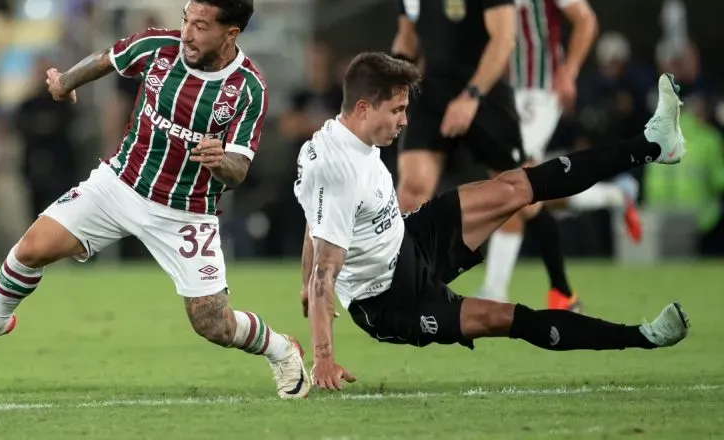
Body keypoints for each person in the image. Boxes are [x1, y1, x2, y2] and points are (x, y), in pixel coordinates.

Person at [0, 0, 311, 399]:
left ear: (231, 33)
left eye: (201, 26)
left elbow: (240, 169)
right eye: (186, 19)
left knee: (213, 325)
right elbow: (106, 59)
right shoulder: (158, 47)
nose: (187, 32)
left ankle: (282, 349)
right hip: (119, 185)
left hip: (185, 212)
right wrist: (64, 84)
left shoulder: (247, 89)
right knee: (31, 248)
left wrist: (219, 160)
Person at [294, 53, 690, 391]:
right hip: (388, 300)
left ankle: (653, 143)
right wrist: (323, 356)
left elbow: (317, 220)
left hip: (407, 240)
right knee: (504, 317)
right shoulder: (337, 168)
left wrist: (305, 284)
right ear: (363, 108)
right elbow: (326, 269)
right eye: (397, 110)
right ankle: (645, 337)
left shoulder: (343, 137)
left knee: (515, 185)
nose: (405, 121)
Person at [391, 0, 577, 311]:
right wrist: (390, 78)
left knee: (520, 193)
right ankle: (406, 291)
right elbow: (409, 38)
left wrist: (472, 97)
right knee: (411, 191)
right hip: (432, 93)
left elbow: (504, 39)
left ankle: (562, 290)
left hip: (485, 94)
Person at [479, 0, 641, 307]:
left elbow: (585, 19)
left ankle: (495, 290)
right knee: (530, 187)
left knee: (509, 181)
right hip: (497, 93)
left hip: (537, 89)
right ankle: (610, 195)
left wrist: (568, 72)